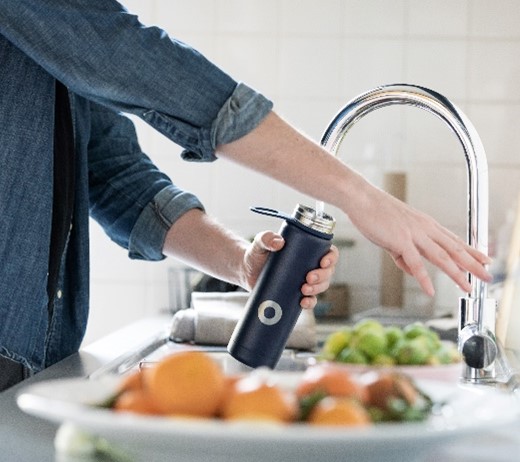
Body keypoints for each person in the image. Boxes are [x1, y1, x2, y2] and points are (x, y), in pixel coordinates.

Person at [0, 1, 490, 391]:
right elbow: (134, 58)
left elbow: (114, 177)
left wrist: (242, 265)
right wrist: (361, 198)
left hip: (31, 358)